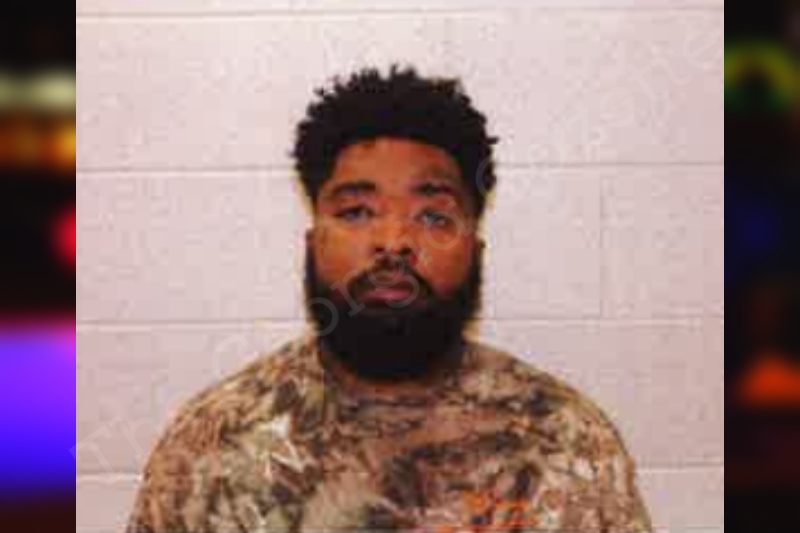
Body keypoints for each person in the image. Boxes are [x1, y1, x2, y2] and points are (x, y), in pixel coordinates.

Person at [127, 65, 652, 532]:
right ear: (313, 240)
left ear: (474, 248)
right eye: (357, 212)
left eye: (433, 216)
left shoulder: (563, 441)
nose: (394, 240)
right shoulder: (215, 446)